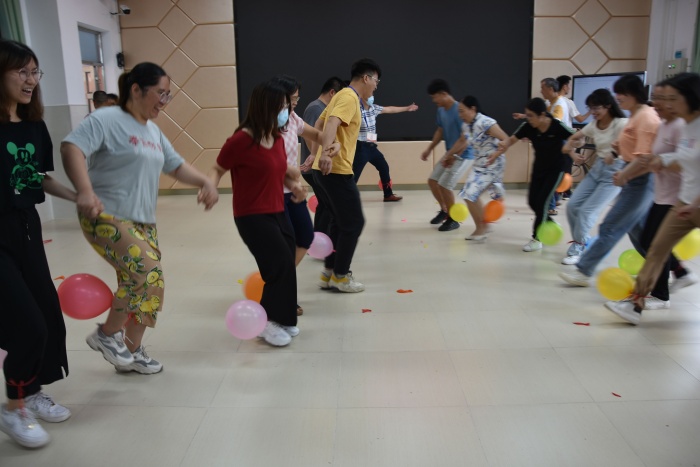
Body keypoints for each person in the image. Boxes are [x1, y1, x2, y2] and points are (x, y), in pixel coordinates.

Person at [62, 62, 218, 373]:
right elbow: (71, 148)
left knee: (152, 286)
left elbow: (175, 165)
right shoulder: (107, 118)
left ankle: (131, 352)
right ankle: (107, 335)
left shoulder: (152, 130)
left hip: (142, 221)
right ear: (136, 90)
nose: (164, 101)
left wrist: (205, 181)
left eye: (168, 95)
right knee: (147, 273)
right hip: (105, 214)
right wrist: (85, 191)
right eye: (160, 93)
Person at [0, 39, 76, 449]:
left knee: (46, 314)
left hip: (26, 227)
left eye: (35, 72)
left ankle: (30, 391)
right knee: (26, 322)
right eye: (22, 72)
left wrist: (79, 198)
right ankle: (13, 408)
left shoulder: (33, 125)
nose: (31, 80)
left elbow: (37, 178)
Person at [210, 81, 306, 345]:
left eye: (287, 106)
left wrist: (294, 187)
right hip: (251, 215)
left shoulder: (276, 138)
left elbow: (280, 172)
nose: (286, 112)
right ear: (265, 107)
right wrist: (210, 187)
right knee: (277, 264)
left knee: (287, 261)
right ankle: (267, 322)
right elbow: (218, 168)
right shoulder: (242, 139)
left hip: (277, 209)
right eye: (281, 107)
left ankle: (284, 319)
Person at [606, 73, 700, 325]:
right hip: (685, 202)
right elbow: (682, 156)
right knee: (656, 248)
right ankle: (635, 304)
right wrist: (658, 160)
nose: (666, 104)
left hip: (694, 202)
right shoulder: (685, 125)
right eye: (663, 98)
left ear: (690, 98)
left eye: (672, 98)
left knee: (653, 244)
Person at [560, 74, 660, 286]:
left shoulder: (640, 118)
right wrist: (608, 154)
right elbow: (623, 146)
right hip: (620, 174)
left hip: (634, 177)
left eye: (620, 93)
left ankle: (583, 268)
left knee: (609, 226)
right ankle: (673, 271)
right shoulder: (636, 116)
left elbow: (644, 157)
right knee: (638, 229)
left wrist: (623, 173)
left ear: (632, 94)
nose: (618, 97)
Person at [311, 58, 382, 293]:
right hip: (336, 170)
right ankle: (341, 276)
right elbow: (331, 122)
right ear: (366, 78)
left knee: (338, 222)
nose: (376, 86)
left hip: (325, 170)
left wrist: (315, 155)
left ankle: (329, 273)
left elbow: (319, 124)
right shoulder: (350, 97)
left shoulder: (341, 95)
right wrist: (325, 154)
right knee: (354, 223)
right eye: (376, 81)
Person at [272, 74, 339, 315]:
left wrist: (332, 145)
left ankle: (278, 282)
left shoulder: (292, 118)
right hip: (274, 192)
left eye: (296, 99)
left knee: (305, 236)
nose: (294, 104)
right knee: (284, 244)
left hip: (294, 192)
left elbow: (318, 135)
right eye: (291, 99)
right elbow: (271, 162)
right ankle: (281, 291)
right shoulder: (266, 124)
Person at [560, 89, 628, 265]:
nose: (593, 112)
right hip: (597, 169)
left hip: (614, 173)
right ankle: (581, 241)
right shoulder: (594, 125)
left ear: (608, 106)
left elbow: (630, 143)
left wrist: (614, 154)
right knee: (572, 206)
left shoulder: (621, 123)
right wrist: (572, 149)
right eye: (590, 108)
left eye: (596, 108)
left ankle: (579, 246)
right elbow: (575, 138)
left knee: (586, 212)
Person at [498, 98, 574, 252]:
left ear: (542, 115)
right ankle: (549, 222)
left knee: (543, 202)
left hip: (556, 169)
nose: (528, 119)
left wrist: (575, 147)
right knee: (533, 202)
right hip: (539, 168)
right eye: (527, 115)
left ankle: (537, 239)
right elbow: (511, 140)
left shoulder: (556, 126)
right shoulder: (528, 126)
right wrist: (504, 144)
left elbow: (575, 136)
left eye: (531, 116)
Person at [420, 79, 474, 231]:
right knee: (433, 181)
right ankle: (445, 210)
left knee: (445, 185)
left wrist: (452, 156)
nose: (433, 101)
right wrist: (429, 149)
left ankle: (453, 219)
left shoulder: (459, 110)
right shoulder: (441, 110)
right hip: (450, 153)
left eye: (434, 97)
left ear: (443, 94)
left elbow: (465, 139)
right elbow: (440, 130)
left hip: (464, 155)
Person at [455, 95, 509, 240]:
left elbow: (506, 139)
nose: (460, 115)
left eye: (462, 111)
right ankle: (484, 225)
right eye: (458, 112)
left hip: (493, 164)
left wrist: (496, 154)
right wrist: (453, 156)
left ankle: (481, 229)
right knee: (468, 194)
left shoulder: (486, 122)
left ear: (473, 109)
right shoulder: (466, 125)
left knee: (470, 194)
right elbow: (463, 141)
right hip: (479, 164)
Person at [300, 76, 346, 233]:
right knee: (327, 205)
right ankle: (321, 237)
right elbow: (310, 136)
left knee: (326, 204)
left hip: (316, 165)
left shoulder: (322, 108)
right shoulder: (316, 108)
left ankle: (321, 236)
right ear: (332, 93)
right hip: (313, 167)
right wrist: (315, 158)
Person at [353, 96, 418, 201]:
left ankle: (388, 195)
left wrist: (407, 108)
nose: (371, 97)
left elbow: (390, 109)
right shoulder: (356, 109)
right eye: (369, 95)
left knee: (384, 167)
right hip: (361, 147)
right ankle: (346, 197)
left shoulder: (374, 108)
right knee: (354, 174)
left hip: (372, 147)